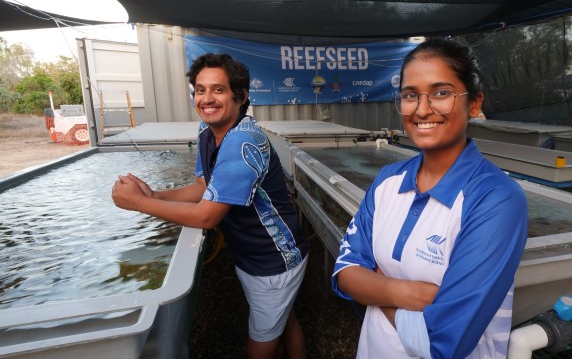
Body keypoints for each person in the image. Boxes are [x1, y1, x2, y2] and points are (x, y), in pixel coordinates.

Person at [331, 38, 528, 358]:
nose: (422, 109)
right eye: (411, 95)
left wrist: (375, 288)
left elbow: (442, 343)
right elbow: (345, 273)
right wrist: (407, 292)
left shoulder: (496, 200)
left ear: (475, 104)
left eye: (441, 93)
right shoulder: (388, 181)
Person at [112, 53, 309, 359]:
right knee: (283, 320)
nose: (207, 99)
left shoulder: (243, 143)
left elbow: (206, 216)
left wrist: (139, 204)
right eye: (200, 90)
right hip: (255, 255)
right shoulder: (208, 133)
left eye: (218, 90)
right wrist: (155, 195)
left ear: (241, 96)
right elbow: (203, 188)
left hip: (273, 261)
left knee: (261, 341)